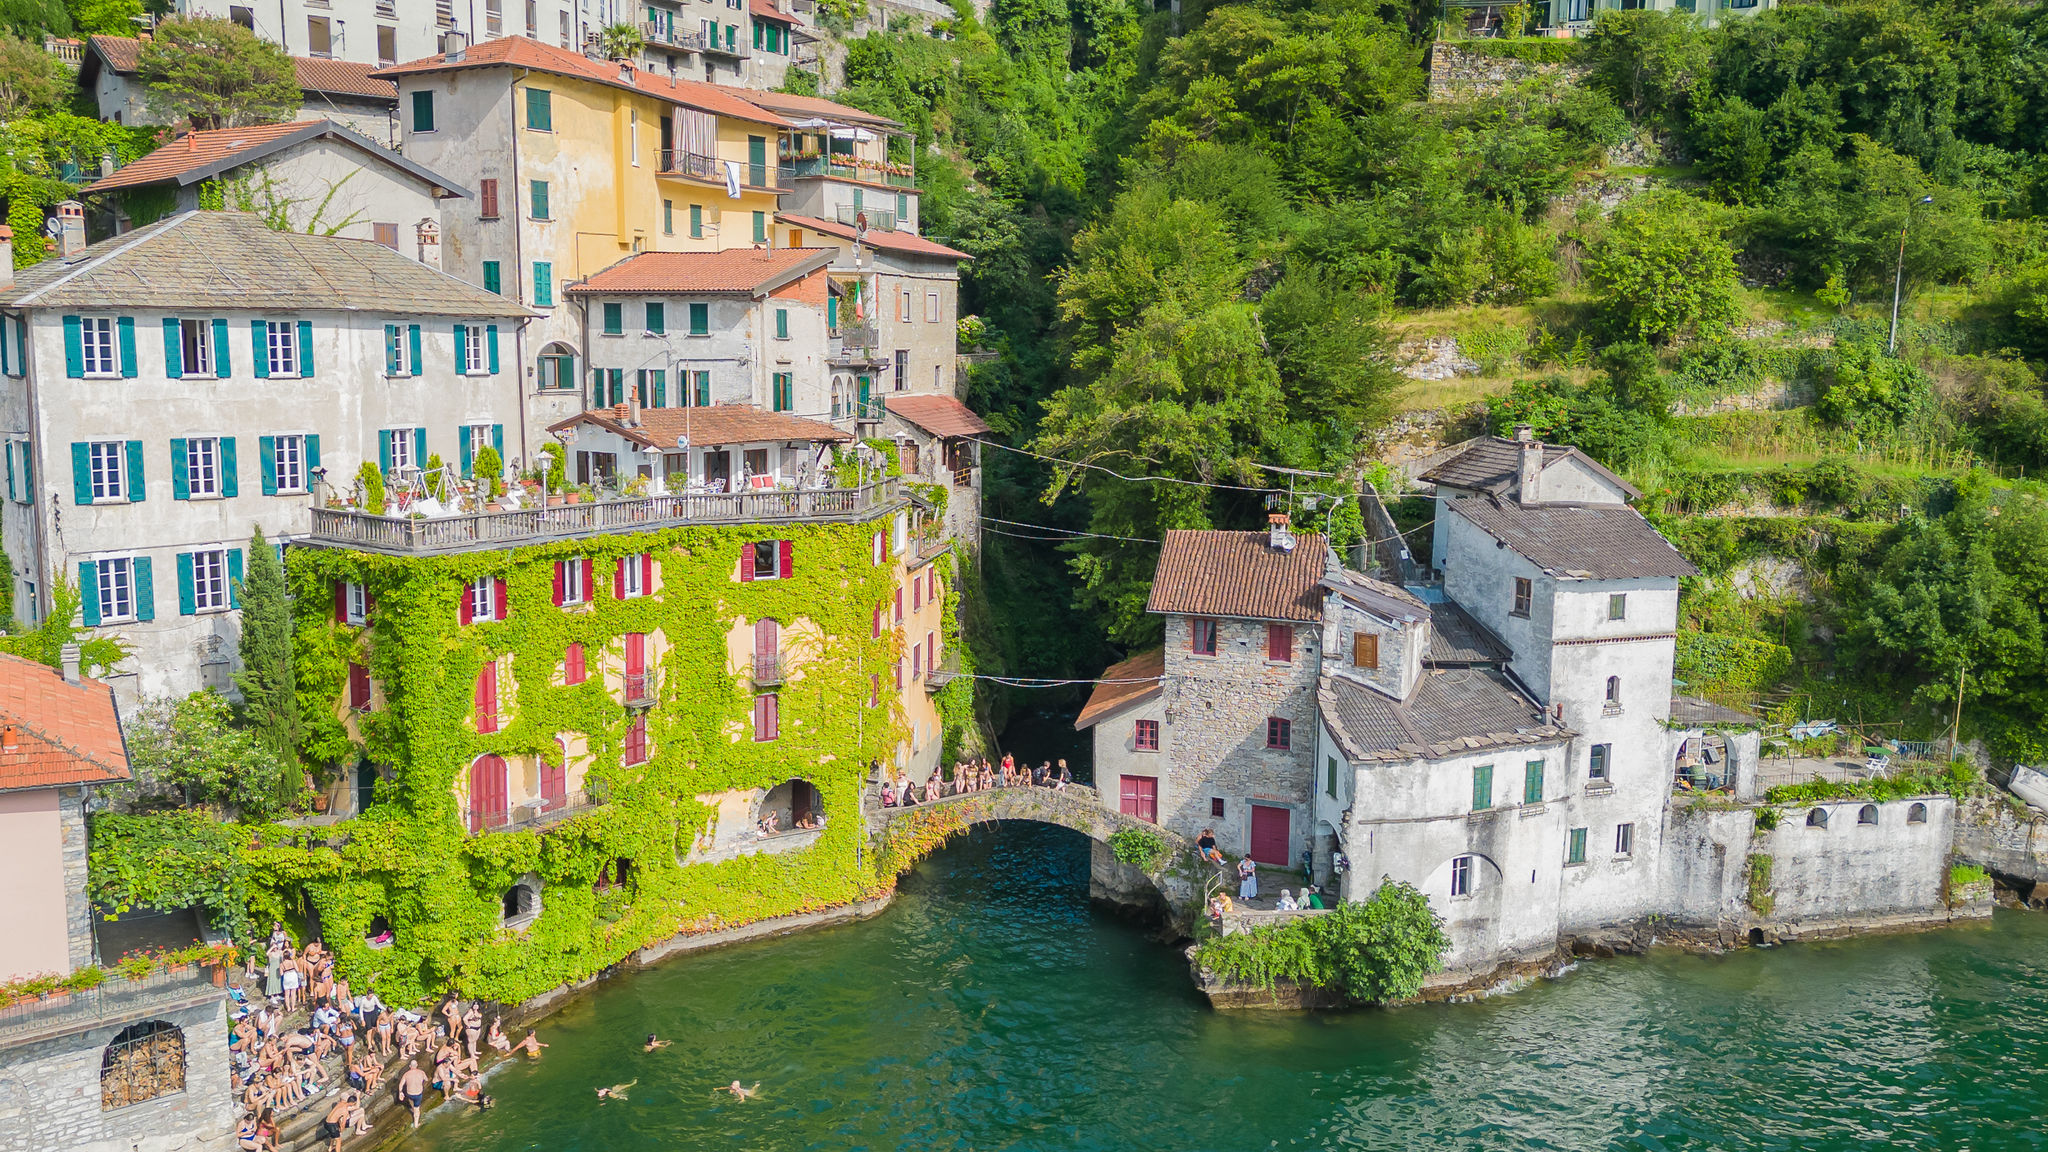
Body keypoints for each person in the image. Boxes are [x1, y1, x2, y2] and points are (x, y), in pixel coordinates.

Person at [398, 1063, 428, 1128]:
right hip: (418, 1094)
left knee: (411, 1101)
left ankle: (413, 1109)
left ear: (410, 1066)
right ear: (417, 1065)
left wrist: (400, 1092)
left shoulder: (406, 1074)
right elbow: (426, 1079)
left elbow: (401, 1084)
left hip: (410, 1094)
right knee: (417, 1109)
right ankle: (416, 1124)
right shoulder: (421, 1072)